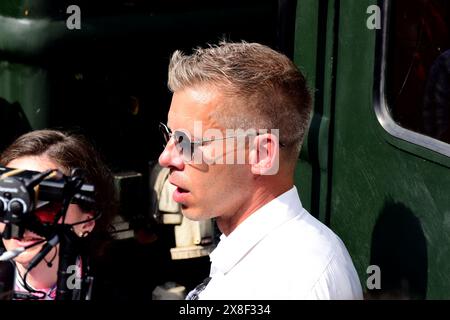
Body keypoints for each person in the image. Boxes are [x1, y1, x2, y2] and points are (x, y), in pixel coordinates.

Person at [158, 41, 363, 299]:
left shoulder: (290, 283)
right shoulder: (273, 259)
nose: (165, 158)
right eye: (168, 135)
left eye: (186, 142)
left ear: (262, 154)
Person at [0, 129, 116, 300]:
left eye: (45, 205)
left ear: (87, 221)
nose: (19, 220)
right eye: (7, 199)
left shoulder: (116, 289)